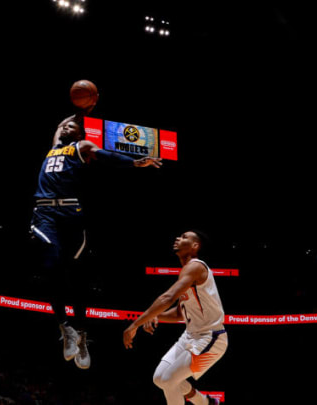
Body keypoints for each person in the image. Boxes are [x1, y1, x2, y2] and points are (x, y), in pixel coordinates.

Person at [31, 88, 162, 369]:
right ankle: (65, 327)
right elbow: (58, 125)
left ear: (78, 134)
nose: (64, 126)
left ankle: (82, 335)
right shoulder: (55, 145)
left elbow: (107, 156)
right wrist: (81, 110)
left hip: (71, 213)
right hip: (45, 213)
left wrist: (135, 163)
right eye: (64, 125)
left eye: (71, 126)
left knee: (75, 277)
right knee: (52, 265)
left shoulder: (82, 147)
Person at [122, 231, 226, 405]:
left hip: (211, 336)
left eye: (185, 237)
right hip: (191, 335)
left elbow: (167, 298)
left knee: (169, 380)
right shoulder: (185, 273)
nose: (178, 238)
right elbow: (179, 314)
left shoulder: (195, 267)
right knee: (159, 379)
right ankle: (204, 402)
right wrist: (156, 315)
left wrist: (134, 324)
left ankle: (203, 402)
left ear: (195, 246)